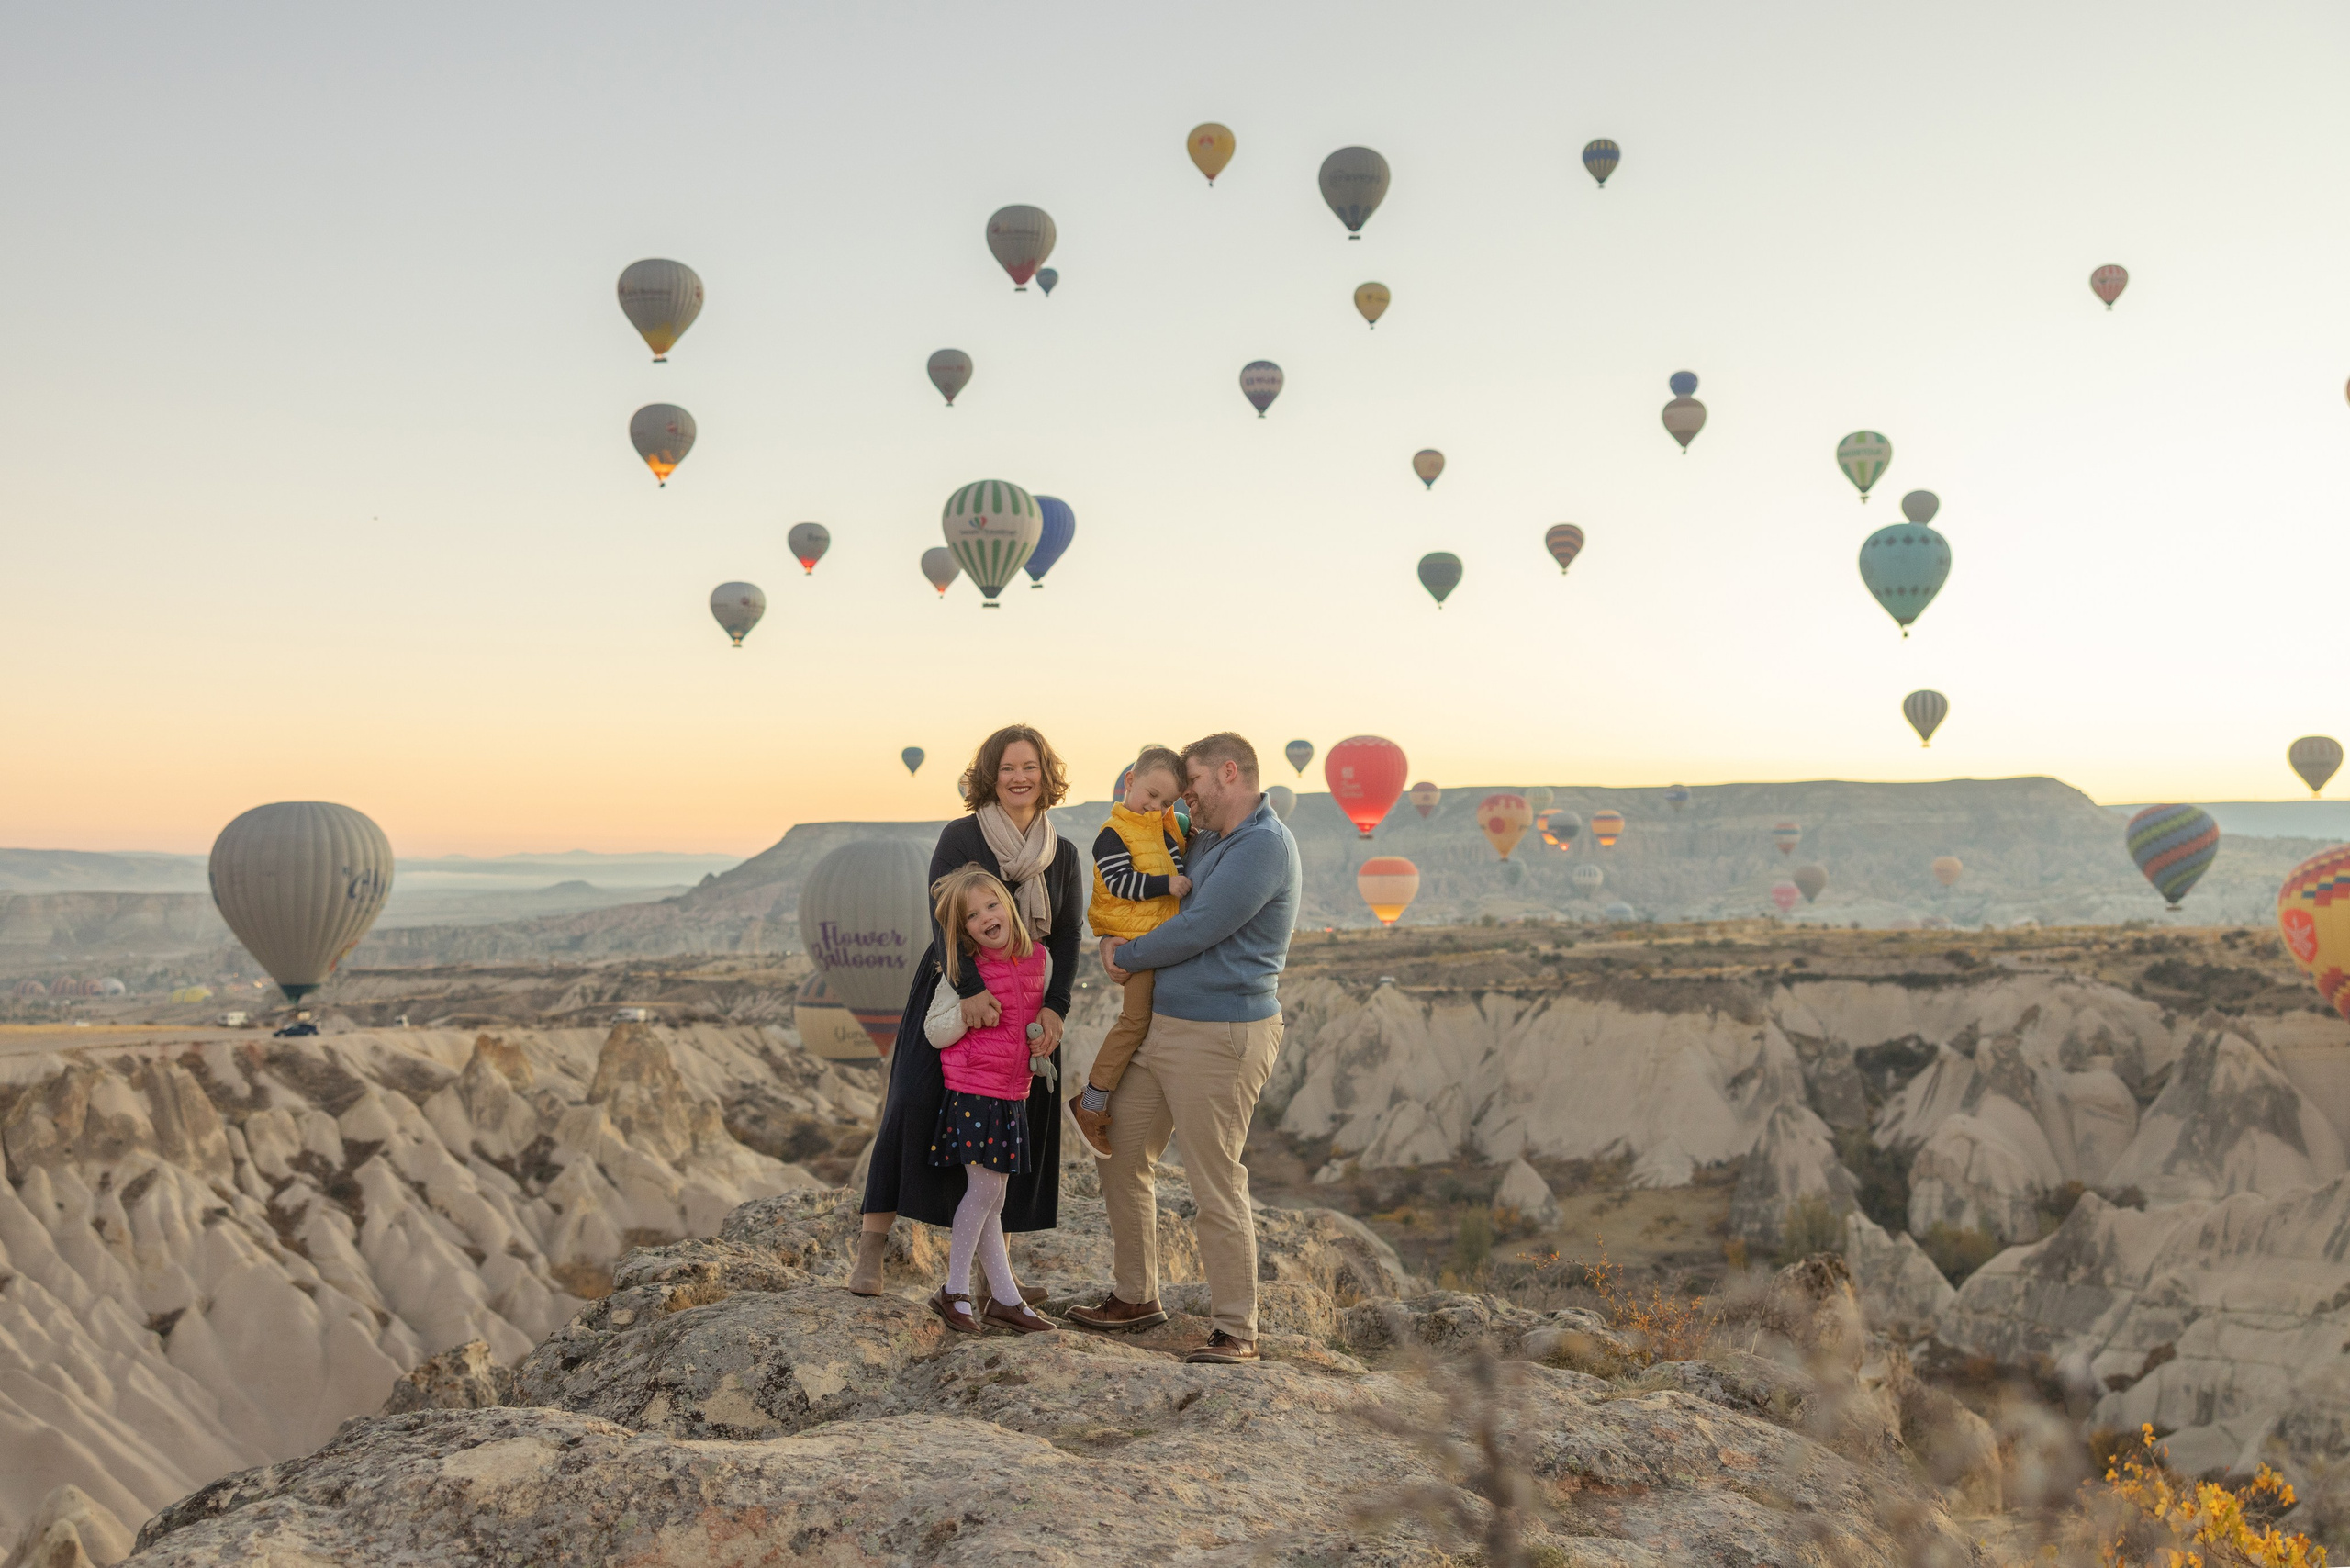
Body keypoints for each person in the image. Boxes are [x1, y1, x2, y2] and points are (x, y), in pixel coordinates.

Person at [1068, 733, 1301, 1364]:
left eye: (1192, 784)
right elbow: (1139, 873)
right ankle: (1137, 1295)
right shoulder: (1205, 837)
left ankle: (1235, 1329)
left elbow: (1199, 927)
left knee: (1214, 1179)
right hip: (1163, 1027)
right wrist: (1109, 933)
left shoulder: (1262, 848)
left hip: (1219, 1036)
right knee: (1118, 1150)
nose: (1185, 797)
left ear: (1229, 774)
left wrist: (1124, 956)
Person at [849, 724, 1080, 1297]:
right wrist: (972, 987)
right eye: (1006, 768)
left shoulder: (1064, 855)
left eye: (1030, 767)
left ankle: (992, 1277)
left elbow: (1070, 936)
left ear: (1046, 776)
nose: (1019, 778)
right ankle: (871, 1251)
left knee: (1015, 1128)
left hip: (1027, 1000)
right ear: (989, 777)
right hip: (955, 987)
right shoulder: (962, 836)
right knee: (911, 1103)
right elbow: (941, 919)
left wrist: (1056, 1009)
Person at [918, 866, 1058, 1335]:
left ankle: (1004, 1298)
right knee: (983, 1193)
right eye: (973, 916)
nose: (986, 918)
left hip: (1011, 1092)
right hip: (974, 1092)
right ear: (962, 931)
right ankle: (954, 1291)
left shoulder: (1039, 958)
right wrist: (965, 1010)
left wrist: (1039, 1042)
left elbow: (1032, 1020)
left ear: (1009, 905)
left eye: (992, 905)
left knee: (994, 1197)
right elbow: (934, 1033)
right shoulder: (963, 973)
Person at [1068, 746, 1192, 1159]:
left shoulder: (1159, 827)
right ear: (1130, 782)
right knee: (1134, 1022)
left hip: (1157, 939)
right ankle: (1091, 1102)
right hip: (1135, 944)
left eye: (1166, 802)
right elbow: (1120, 882)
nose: (1155, 806)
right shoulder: (1112, 834)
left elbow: (1181, 847)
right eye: (1151, 795)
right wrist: (1167, 885)